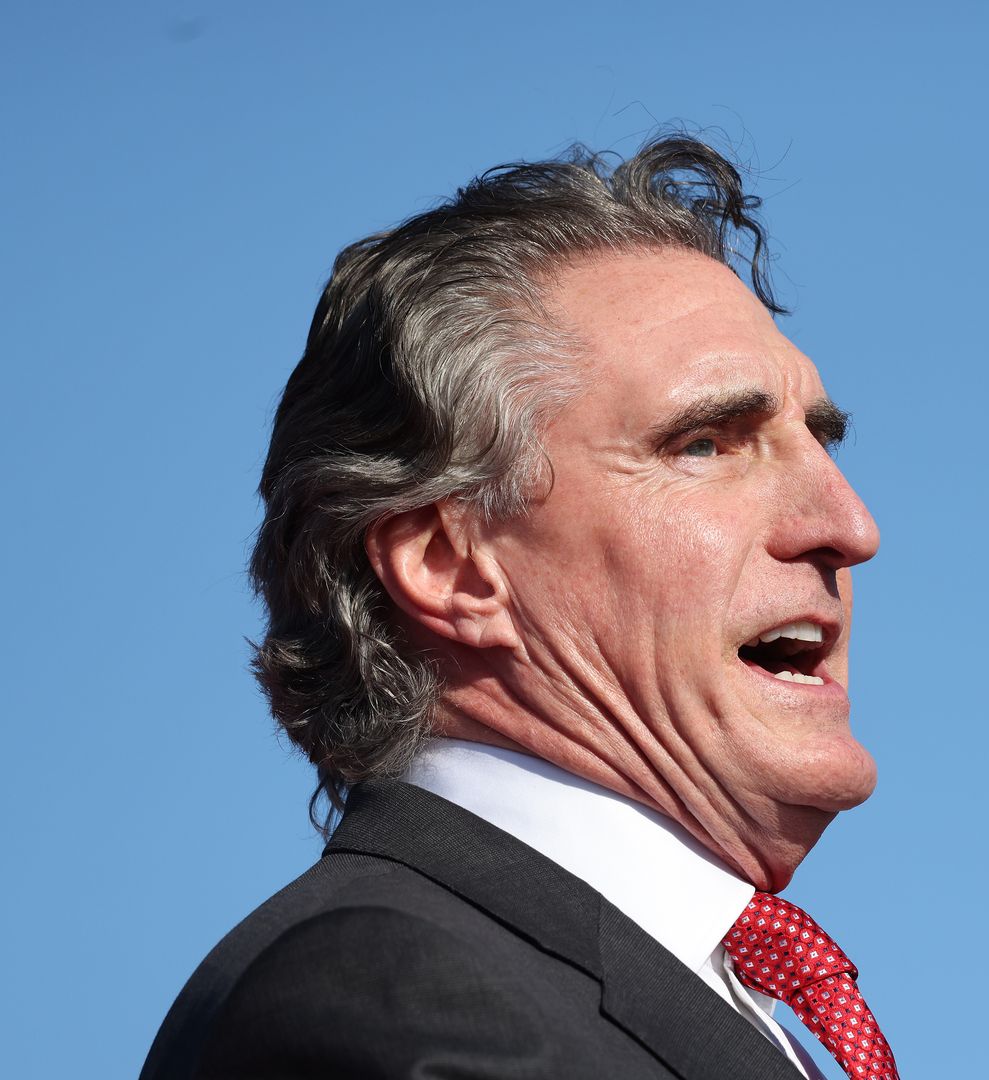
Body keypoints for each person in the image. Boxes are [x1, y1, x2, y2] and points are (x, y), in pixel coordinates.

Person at [140, 135, 894, 1080]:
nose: (850, 526)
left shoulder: (717, 1003)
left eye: (821, 442)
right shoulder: (384, 998)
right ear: (450, 567)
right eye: (705, 444)